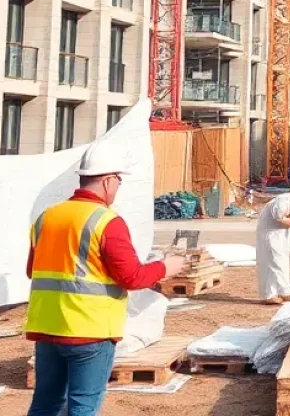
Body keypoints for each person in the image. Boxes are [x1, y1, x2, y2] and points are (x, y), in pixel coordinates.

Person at [24, 140, 187, 416]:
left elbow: (33, 270)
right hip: (89, 331)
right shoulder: (107, 221)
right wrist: (165, 267)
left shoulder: (46, 217)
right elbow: (132, 277)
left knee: (45, 405)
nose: (118, 189)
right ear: (109, 181)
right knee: (83, 408)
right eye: (119, 182)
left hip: (47, 328)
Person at [256, 188, 290, 305]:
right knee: (277, 264)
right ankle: (285, 292)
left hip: (280, 236)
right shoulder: (282, 200)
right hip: (272, 235)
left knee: (276, 265)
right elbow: (279, 217)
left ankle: (272, 294)